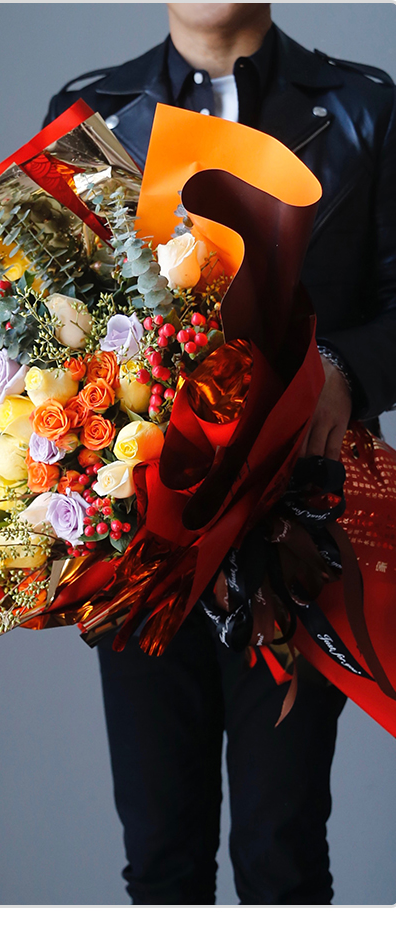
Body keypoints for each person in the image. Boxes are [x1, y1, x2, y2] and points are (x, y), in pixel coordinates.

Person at [44, 3, 396, 905]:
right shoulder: (92, 115)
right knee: (161, 856)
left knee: (282, 854)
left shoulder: (363, 107)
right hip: (139, 538)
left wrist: (342, 369)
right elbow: (47, 323)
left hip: (297, 534)